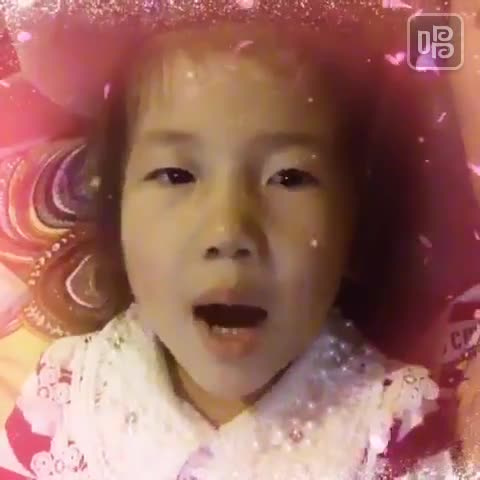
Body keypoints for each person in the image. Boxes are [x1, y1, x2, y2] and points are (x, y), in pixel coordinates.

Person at [0, 13, 472, 479]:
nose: (227, 232)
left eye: (288, 178)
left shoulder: (393, 430)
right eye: (176, 175)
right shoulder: (66, 401)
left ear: (355, 223)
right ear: (117, 206)